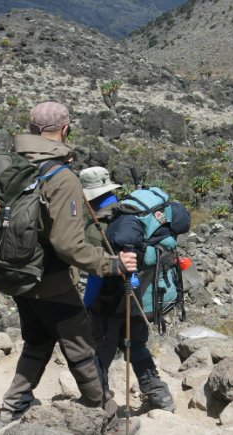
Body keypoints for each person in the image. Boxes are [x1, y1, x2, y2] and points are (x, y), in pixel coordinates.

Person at [0, 102, 139, 434]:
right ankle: (108, 419)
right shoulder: (61, 177)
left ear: (30, 129)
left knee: (37, 342)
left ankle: (10, 409)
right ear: (65, 130)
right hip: (52, 279)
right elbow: (68, 245)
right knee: (82, 349)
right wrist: (110, 264)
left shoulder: (10, 168)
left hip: (18, 275)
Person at [80, 166, 176, 413]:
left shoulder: (98, 226)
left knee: (100, 351)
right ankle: (160, 396)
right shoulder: (133, 214)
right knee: (137, 346)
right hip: (139, 296)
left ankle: (99, 405)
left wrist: (88, 304)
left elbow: (96, 274)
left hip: (109, 302)